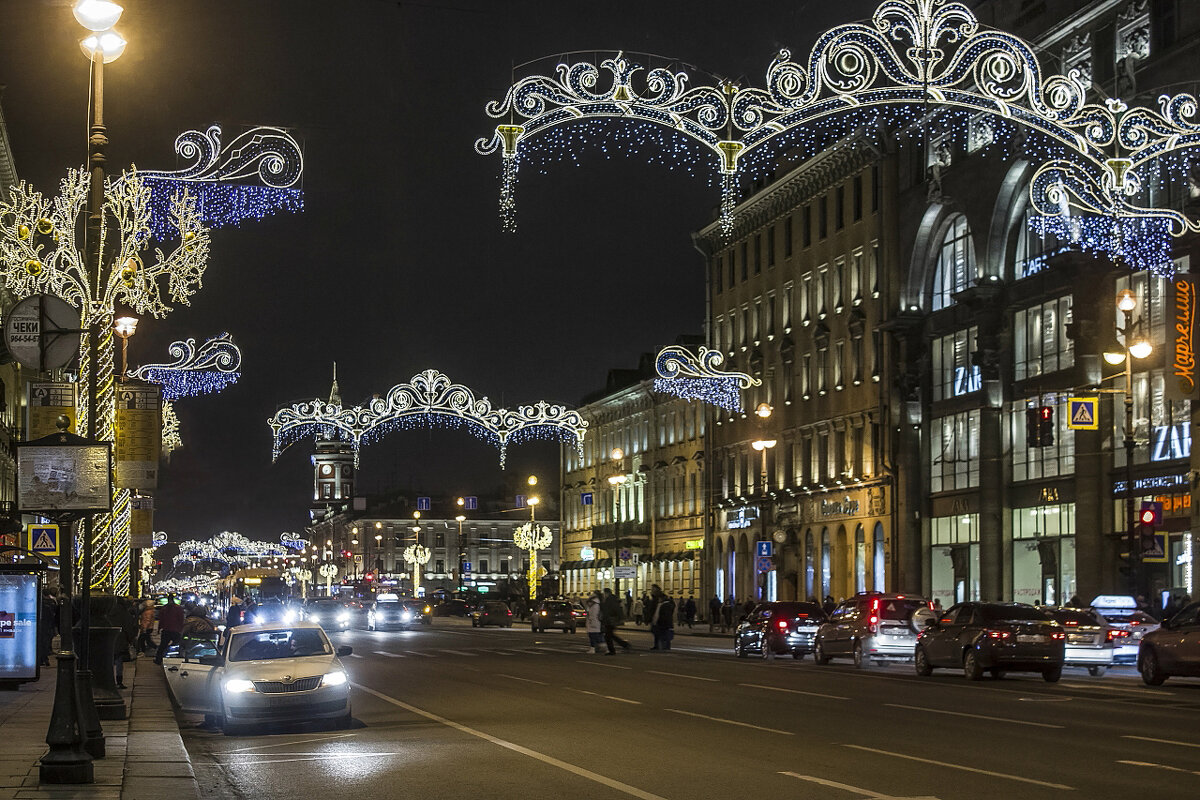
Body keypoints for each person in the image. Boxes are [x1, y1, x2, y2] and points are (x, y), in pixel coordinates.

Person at [154, 595, 185, 665]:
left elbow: (161, 619)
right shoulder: (178, 608)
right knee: (177, 645)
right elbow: (181, 619)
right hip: (175, 630)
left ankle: (159, 659)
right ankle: (178, 658)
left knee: (162, 646)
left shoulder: (164, 608)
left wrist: (159, 628)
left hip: (167, 630)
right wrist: (181, 629)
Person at [600, 588, 631, 654]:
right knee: (611, 635)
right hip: (610, 620)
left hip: (610, 620)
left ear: (606, 593)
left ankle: (613, 650)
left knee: (608, 636)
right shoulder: (611, 599)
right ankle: (624, 644)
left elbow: (614, 609)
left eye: (604, 593)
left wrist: (620, 618)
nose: (604, 595)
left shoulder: (610, 600)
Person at [649, 584, 675, 651]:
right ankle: (657, 645)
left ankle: (665, 647)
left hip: (663, 622)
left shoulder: (664, 604)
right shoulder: (656, 601)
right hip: (657, 621)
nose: (651, 590)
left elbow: (666, 614)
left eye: (653, 589)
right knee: (657, 633)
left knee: (664, 634)